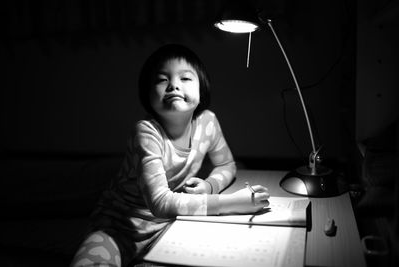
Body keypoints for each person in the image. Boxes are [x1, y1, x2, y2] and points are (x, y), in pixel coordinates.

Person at [70, 44, 269, 267]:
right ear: (147, 94)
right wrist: (231, 203)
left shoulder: (208, 122)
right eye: (162, 79)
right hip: (118, 226)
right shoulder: (146, 132)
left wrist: (210, 186)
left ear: (201, 90)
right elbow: (160, 203)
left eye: (185, 78)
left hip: (172, 224)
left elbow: (227, 164)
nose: (173, 85)